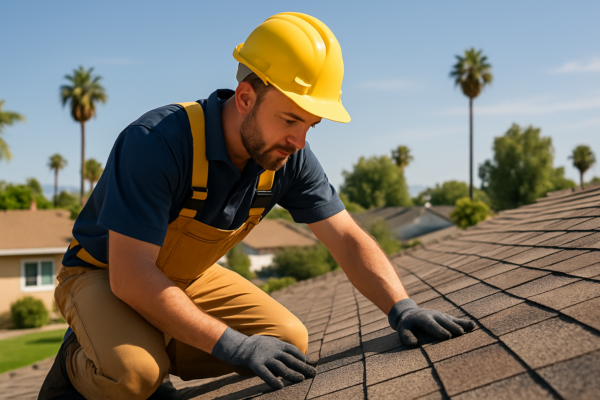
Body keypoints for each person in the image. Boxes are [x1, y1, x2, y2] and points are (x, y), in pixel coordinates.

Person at [39, 12, 475, 400]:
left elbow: (345, 237)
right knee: (134, 376)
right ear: (245, 97)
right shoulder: (158, 143)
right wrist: (234, 346)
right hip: (103, 273)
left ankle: (145, 343)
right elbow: (132, 275)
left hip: (186, 277)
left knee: (287, 340)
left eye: (310, 125)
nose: (299, 141)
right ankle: (84, 363)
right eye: (290, 119)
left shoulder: (287, 157)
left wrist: (403, 308)